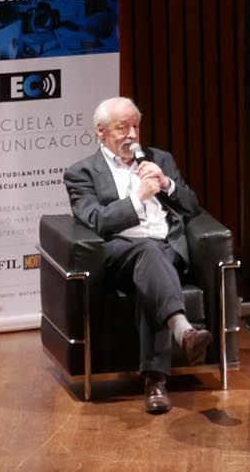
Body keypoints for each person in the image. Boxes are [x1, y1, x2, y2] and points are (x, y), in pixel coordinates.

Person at [64, 97, 212, 414]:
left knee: (153, 268)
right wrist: (137, 199)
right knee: (147, 253)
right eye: (122, 128)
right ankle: (179, 338)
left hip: (166, 247)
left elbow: (192, 207)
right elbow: (97, 221)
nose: (132, 134)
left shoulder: (160, 159)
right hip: (118, 251)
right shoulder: (81, 173)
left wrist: (167, 183)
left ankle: (160, 375)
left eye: (135, 126)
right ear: (101, 132)